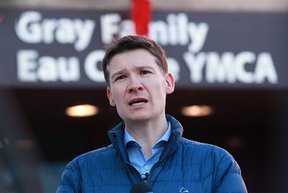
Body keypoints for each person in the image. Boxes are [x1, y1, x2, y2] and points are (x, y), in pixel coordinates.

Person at [57, 35, 247, 192]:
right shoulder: (80, 173)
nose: (134, 85)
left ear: (168, 83)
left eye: (144, 72)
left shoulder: (216, 165)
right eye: (121, 77)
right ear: (110, 95)